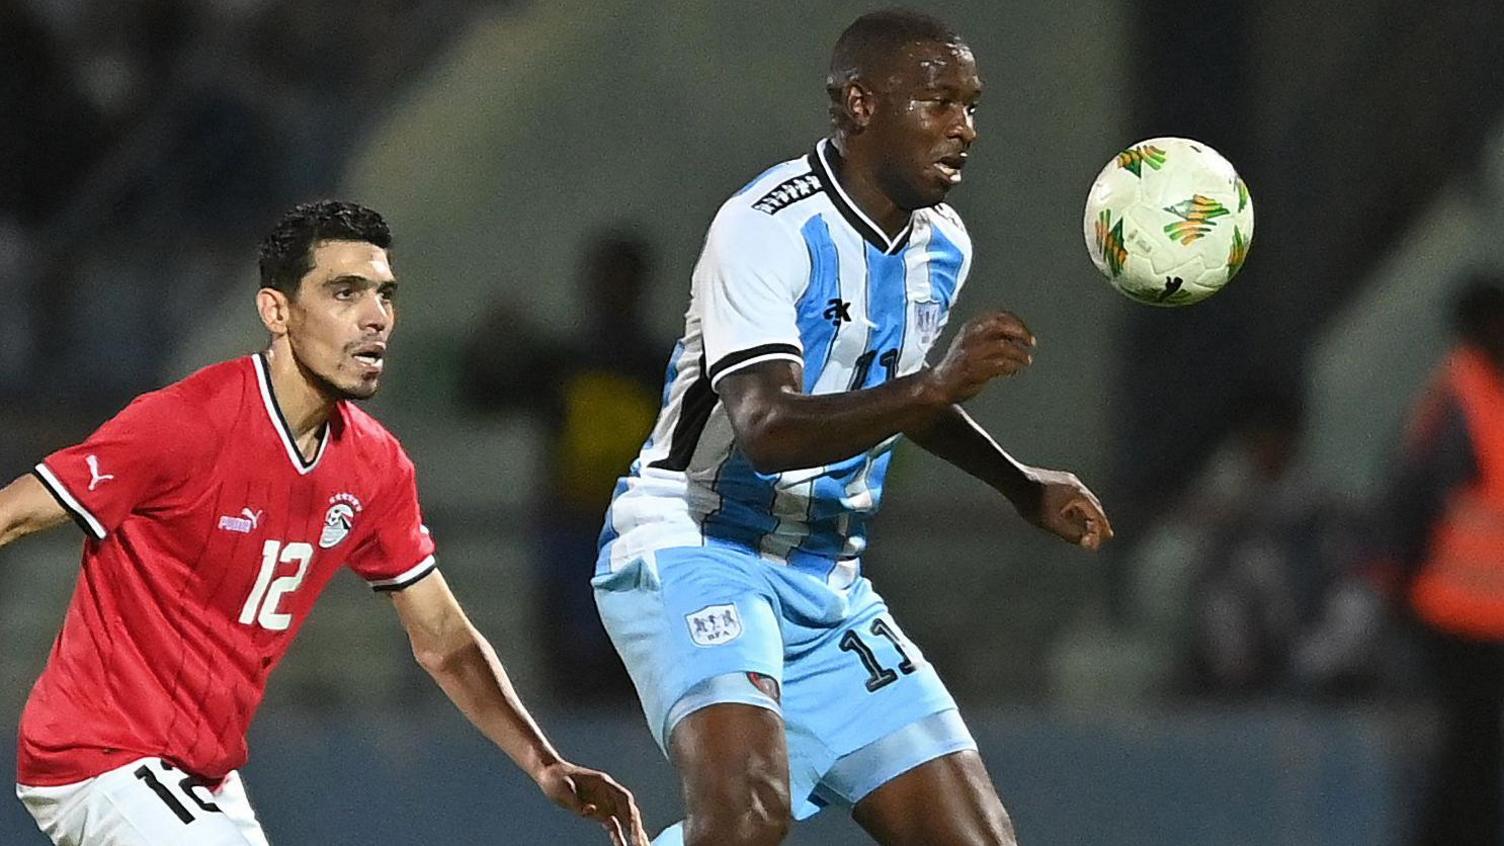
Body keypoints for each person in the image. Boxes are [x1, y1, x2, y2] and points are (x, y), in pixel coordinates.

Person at [592, 11, 1112, 846]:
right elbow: (766, 427)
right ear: (861, 105)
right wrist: (938, 385)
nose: (965, 128)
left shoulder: (942, 243)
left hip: (828, 582)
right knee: (747, 820)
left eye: (972, 106)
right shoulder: (764, 227)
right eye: (940, 102)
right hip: (697, 547)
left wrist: (1019, 485)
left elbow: (890, 393)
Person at [0, 201, 646, 846]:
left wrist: (543, 761)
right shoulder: (186, 422)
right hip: (99, 755)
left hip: (202, 772)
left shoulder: (374, 466)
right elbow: (15, 514)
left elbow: (444, 639)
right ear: (276, 312)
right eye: (345, 293)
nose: (376, 318)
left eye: (385, 295)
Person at [458, 229, 664, 702]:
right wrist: (489, 349)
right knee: (570, 667)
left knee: (633, 668)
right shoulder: (565, 364)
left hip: (636, 537)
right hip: (570, 534)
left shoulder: (658, 367)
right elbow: (482, 397)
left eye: (622, 280)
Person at [1378, 276, 1504, 846]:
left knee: (1478, 748)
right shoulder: (1456, 398)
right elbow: (1412, 495)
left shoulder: (1487, 392)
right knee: (1468, 747)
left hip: (1489, 612)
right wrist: (1394, 583)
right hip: (1453, 611)